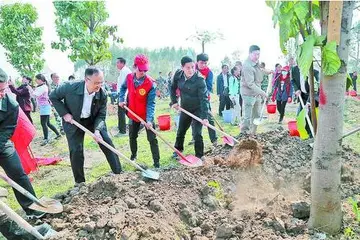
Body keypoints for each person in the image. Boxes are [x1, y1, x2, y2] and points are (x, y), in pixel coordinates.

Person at [50, 67, 122, 184]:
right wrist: (64, 114)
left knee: (106, 142)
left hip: (93, 120)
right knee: (76, 150)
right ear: (86, 80)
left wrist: (97, 130)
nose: (99, 86)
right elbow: (53, 96)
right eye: (96, 83)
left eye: (101, 82)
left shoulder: (102, 94)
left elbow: (102, 115)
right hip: (73, 120)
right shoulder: (69, 87)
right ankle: (80, 183)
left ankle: (118, 173)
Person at [0, 68, 46, 221]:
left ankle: (32, 208)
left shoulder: (11, 104)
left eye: (4, 89)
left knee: (18, 173)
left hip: (2, 142)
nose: (2, 94)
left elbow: (7, 129)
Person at [118, 54, 160, 168]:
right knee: (132, 136)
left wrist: (149, 120)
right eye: (141, 69)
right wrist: (121, 99)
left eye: (145, 70)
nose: (143, 72)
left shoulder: (150, 83)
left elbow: (151, 104)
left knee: (152, 138)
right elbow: (122, 88)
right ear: (135, 67)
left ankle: (156, 163)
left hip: (146, 115)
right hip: (132, 113)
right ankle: (133, 155)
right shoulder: (129, 78)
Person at [171, 56, 209, 159]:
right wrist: (174, 101)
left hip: (198, 109)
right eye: (188, 67)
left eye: (193, 67)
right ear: (182, 67)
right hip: (185, 108)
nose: (191, 70)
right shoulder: (178, 75)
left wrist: (204, 117)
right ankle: (178, 151)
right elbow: (173, 87)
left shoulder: (200, 79)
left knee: (197, 133)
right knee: (181, 131)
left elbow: (204, 99)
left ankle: (199, 155)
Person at [240, 45, 268, 135]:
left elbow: (260, 70)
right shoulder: (247, 66)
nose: (257, 56)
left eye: (258, 54)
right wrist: (263, 93)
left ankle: (253, 134)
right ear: (250, 54)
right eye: (255, 54)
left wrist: (268, 71)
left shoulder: (256, 63)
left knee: (257, 115)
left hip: (257, 93)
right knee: (247, 116)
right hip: (248, 93)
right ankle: (244, 134)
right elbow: (250, 84)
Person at [190, 53, 217, 146]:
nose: (204, 65)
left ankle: (214, 140)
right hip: (193, 100)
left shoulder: (209, 73)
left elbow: (208, 88)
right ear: (197, 62)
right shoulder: (192, 70)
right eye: (202, 63)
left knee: (209, 119)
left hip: (204, 99)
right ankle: (194, 137)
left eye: (206, 63)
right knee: (194, 120)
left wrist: (204, 96)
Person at [33, 74, 61, 146]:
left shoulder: (43, 87)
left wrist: (29, 88)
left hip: (45, 107)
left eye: (36, 79)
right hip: (44, 107)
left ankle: (46, 139)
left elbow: (35, 95)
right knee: (47, 123)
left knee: (43, 123)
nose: (35, 80)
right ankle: (58, 134)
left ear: (40, 80)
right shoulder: (41, 86)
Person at [116, 57, 132, 136]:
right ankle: (139, 123)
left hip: (124, 95)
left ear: (122, 63)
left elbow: (125, 86)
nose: (117, 65)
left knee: (121, 113)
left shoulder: (125, 71)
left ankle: (122, 131)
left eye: (118, 63)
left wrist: (123, 98)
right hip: (122, 94)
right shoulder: (123, 71)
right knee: (126, 111)